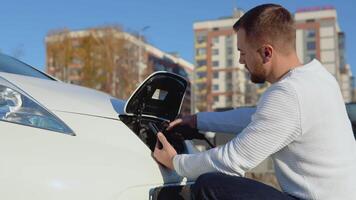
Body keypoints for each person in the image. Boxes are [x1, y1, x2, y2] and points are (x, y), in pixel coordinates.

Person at [153, 4, 356, 200]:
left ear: (267, 52)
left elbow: (232, 161)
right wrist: (198, 120)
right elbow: (257, 117)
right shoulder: (319, 77)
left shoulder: (289, 93)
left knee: (211, 185)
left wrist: (176, 162)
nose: (241, 61)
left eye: (243, 52)